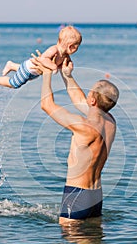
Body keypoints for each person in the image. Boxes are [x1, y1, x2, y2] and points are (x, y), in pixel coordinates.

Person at [32, 56, 119, 225]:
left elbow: (47, 105)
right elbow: (80, 100)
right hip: (96, 195)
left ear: (92, 100)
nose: (87, 94)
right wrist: (67, 75)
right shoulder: (110, 122)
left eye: (90, 92)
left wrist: (47, 73)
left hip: (77, 194)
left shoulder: (84, 126)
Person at [0, 25, 82, 90]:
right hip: (29, 68)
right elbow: (43, 58)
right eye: (77, 47)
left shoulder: (65, 55)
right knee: (14, 84)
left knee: (26, 77)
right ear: (71, 47)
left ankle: (11, 65)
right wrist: (54, 67)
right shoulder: (54, 50)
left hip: (34, 72)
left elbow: (63, 66)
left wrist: (67, 68)